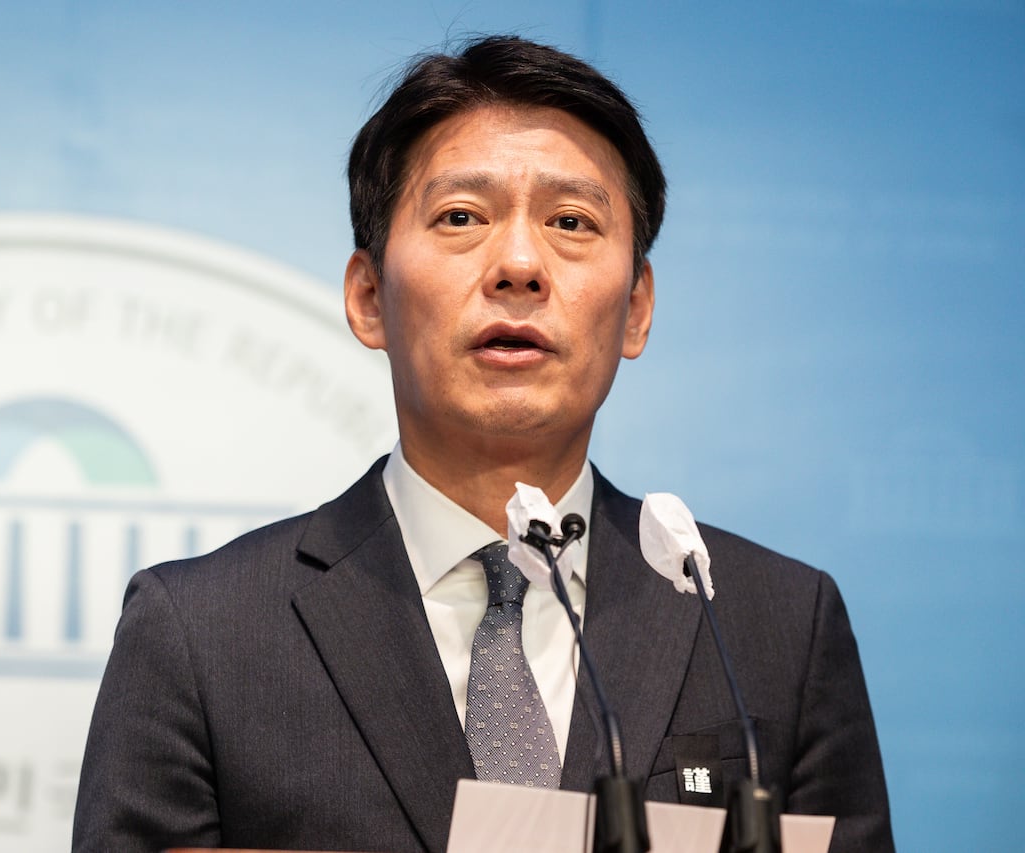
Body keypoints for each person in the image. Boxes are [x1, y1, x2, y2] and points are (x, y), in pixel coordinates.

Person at [73, 35, 893, 852]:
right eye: (461, 217)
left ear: (637, 308)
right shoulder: (202, 632)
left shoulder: (770, 624)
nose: (521, 264)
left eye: (571, 222)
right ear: (369, 297)